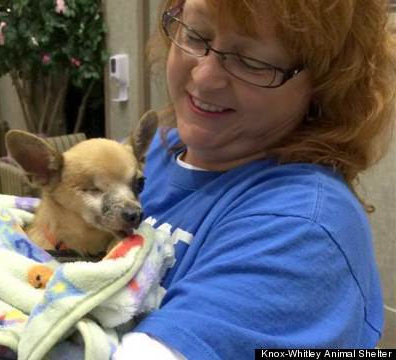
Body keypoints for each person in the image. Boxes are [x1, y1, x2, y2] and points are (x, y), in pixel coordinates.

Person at [113, 0, 396, 358]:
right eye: (196, 36)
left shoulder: (304, 228)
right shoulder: (154, 149)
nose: (204, 77)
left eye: (252, 62)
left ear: (324, 84)